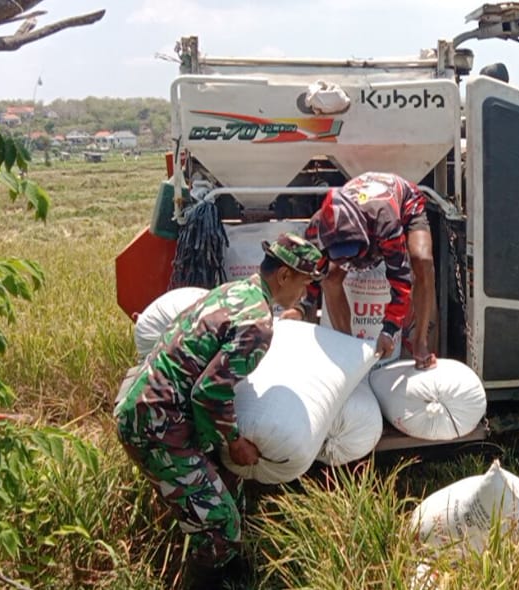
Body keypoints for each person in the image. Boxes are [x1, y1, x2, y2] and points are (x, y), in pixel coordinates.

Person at [113, 233, 325, 588]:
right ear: (284, 276)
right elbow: (209, 394)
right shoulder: (257, 324)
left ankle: (230, 574)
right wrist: (234, 442)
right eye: (304, 284)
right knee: (220, 526)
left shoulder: (234, 292)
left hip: (151, 406)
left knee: (229, 489)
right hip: (155, 424)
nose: (304, 293)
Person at [295, 171, 437, 369]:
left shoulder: (385, 223)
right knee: (331, 277)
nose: (350, 262)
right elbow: (312, 274)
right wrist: (302, 307)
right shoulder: (316, 229)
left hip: (405, 203)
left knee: (422, 260)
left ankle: (420, 342)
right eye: (341, 255)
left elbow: (401, 282)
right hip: (366, 211)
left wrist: (389, 330)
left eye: (353, 252)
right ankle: (347, 346)